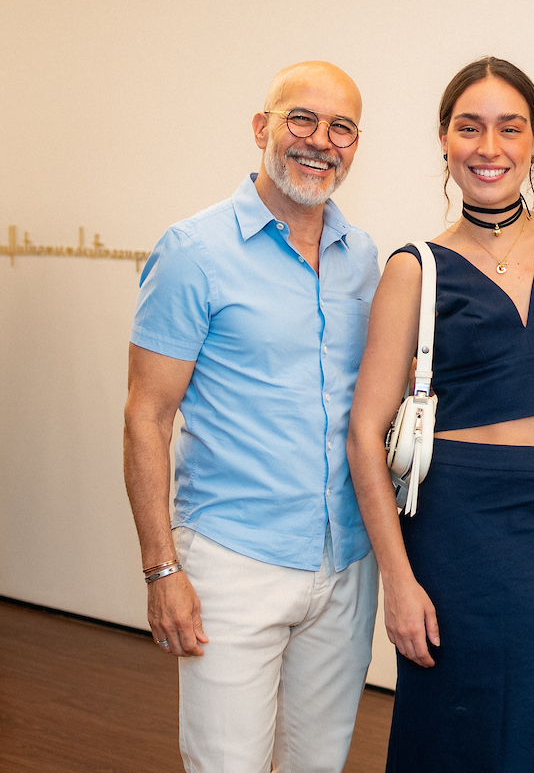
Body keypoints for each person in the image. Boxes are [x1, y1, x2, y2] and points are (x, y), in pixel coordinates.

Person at [346, 57, 534, 773]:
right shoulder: (417, 267)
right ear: (444, 139)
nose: (488, 147)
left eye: (509, 128)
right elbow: (363, 435)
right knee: (453, 729)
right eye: (469, 128)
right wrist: (399, 583)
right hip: (456, 534)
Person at [123, 61, 380, 773]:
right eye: (302, 118)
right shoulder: (193, 252)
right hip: (233, 564)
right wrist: (160, 570)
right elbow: (146, 416)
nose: (320, 140)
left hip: (345, 563)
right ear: (262, 127)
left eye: (342, 128)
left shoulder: (364, 259)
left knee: (317, 764)